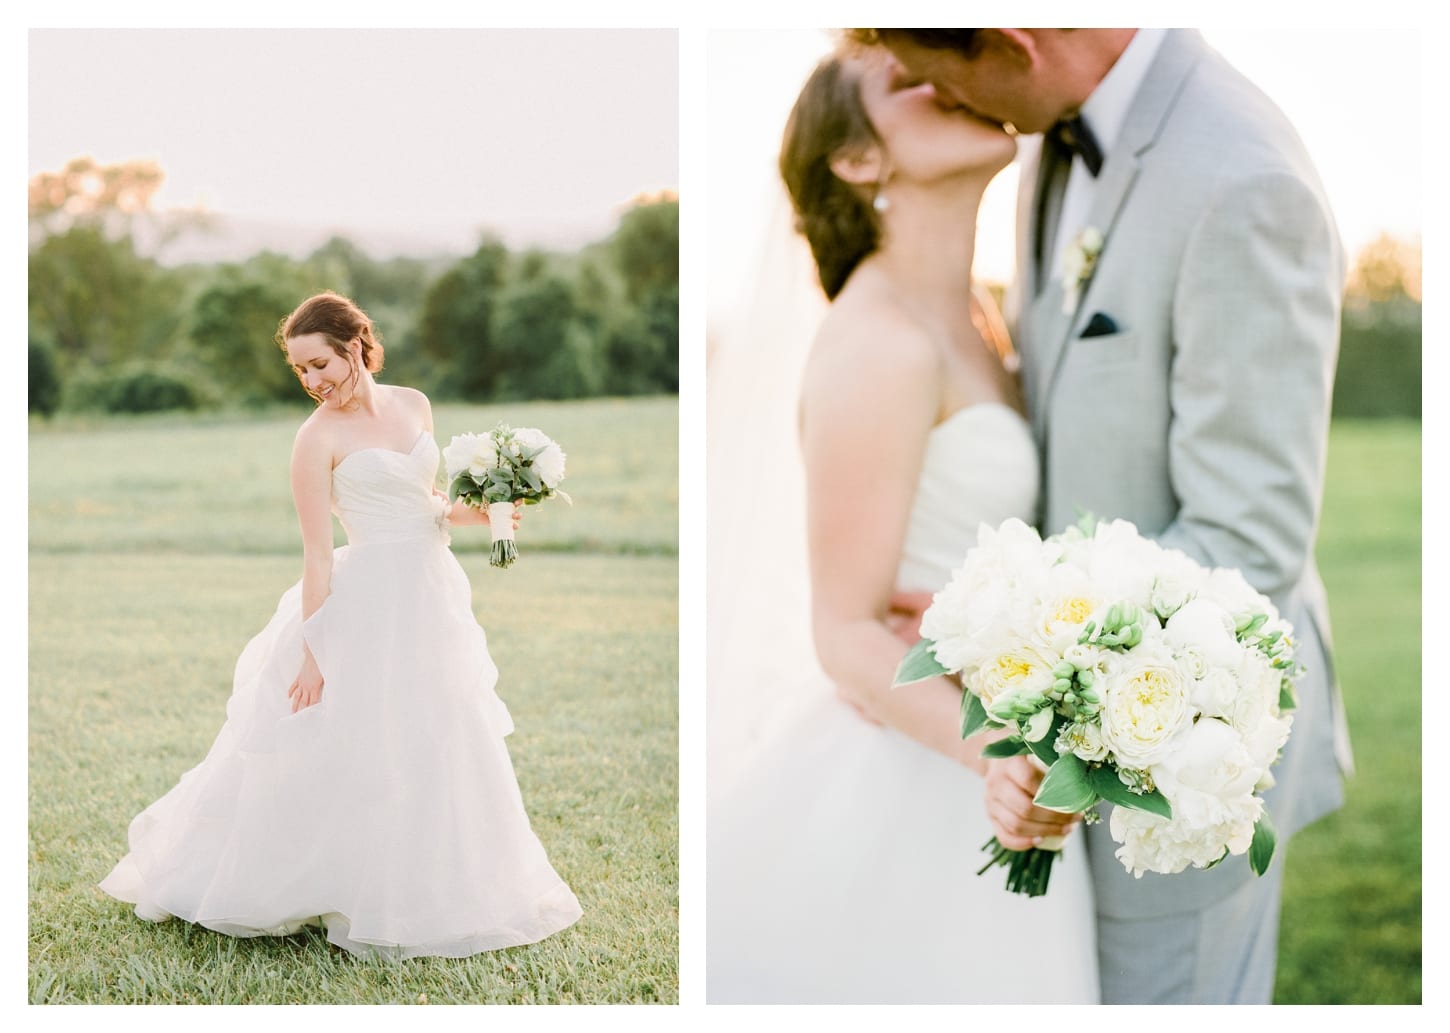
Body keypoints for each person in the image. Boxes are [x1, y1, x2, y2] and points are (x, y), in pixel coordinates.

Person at [859, 28, 1352, 1004]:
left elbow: (1246, 540)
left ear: (1010, 42)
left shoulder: (1242, 181)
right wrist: (979, 623)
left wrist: (1035, 667)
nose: (942, 100)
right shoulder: (1049, 141)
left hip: (1182, 740)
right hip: (1068, 734)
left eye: (932, 73)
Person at [706, 47, 1098, 1004]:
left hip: (994, 748)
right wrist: (1000, 756)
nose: (950, 75)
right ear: (857, 162)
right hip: (924, 771)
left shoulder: (974, 315)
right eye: (906, 79)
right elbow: (842, 629)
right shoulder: (877, 339)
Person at [99, 291, 582, 958]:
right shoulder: (315, 437)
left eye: (320, 362)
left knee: (436, 733)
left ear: (357, 346)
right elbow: (318, 553)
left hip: (429, 593)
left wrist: (475, 515)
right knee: (347, 741)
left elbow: (427, 505)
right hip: (365, 603)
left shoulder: (414, 405)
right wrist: (314, 651)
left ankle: (428, 885)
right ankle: (307, 883)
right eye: (300, 371)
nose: (312, 381)